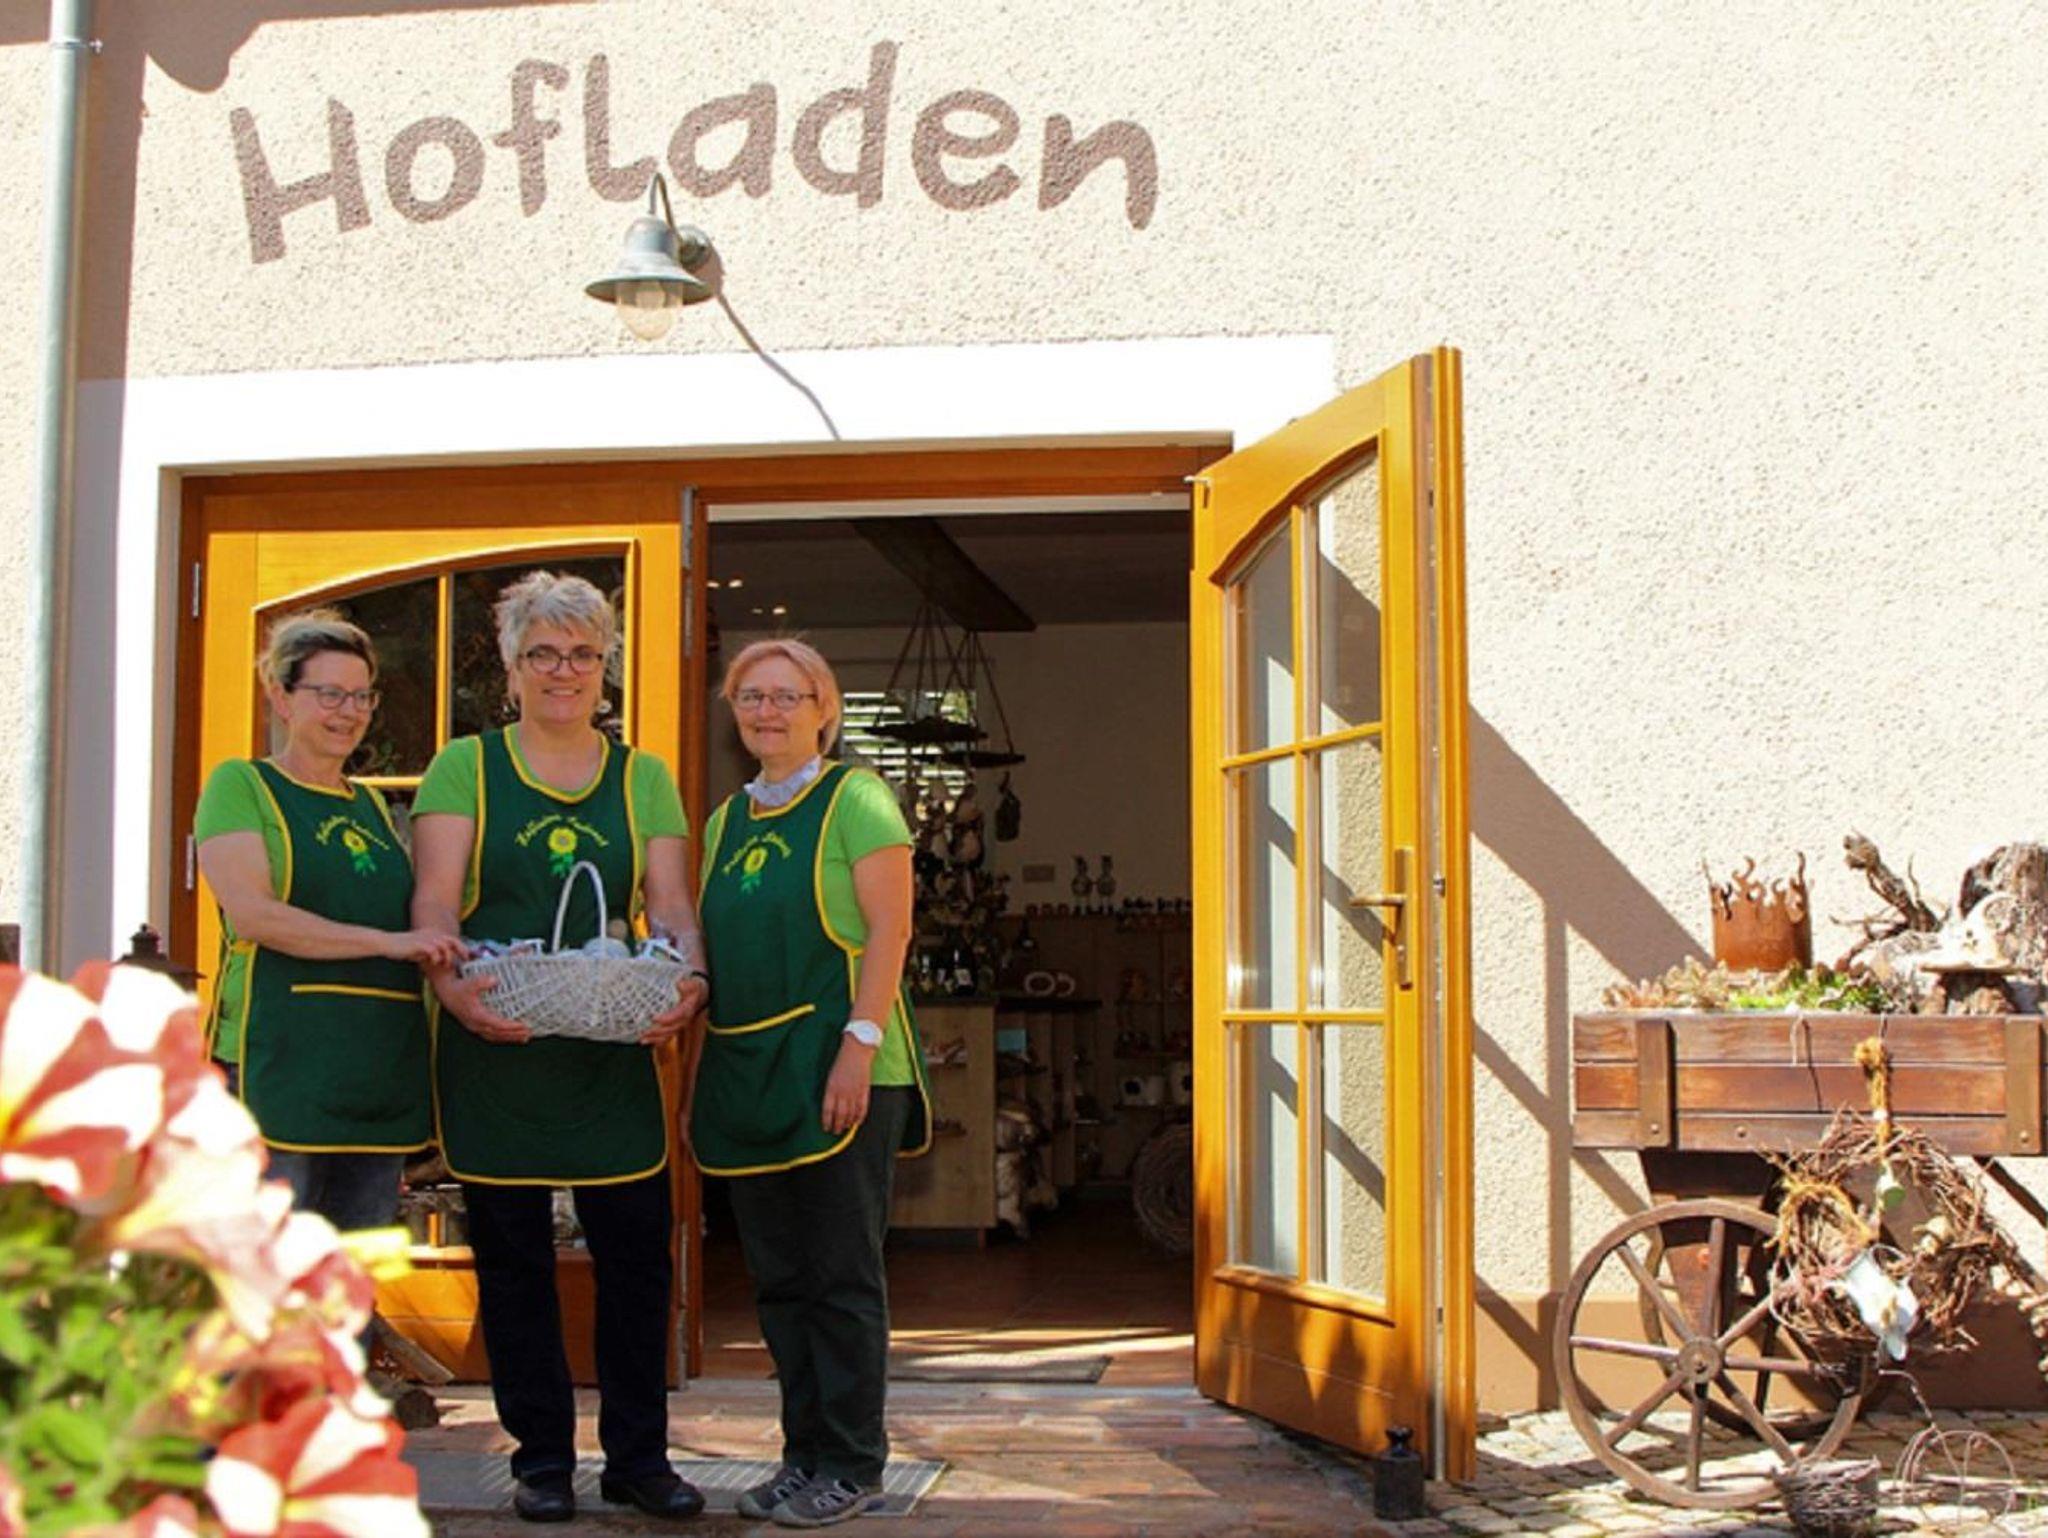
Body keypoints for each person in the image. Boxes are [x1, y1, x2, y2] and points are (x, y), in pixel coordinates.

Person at [410, 571, 709, 1526]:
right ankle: (540, 1459)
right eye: (542, 653)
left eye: (583, 653)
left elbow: (671, 908)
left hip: (610, 1047)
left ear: (604, 666)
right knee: (513, 1267)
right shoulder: (465, 767)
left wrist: (690, 981)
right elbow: (434, 904)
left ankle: (639, 1459)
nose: (563, 670)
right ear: (511, 668)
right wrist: (454, 994)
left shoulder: (642, 776)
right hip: (498, 1041)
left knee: (636, 1261)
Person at [689, 639, 931, 1530]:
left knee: (840, 1277)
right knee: (780, 1283)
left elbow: (889, 932)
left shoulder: (858, 800)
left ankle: (854, 1465)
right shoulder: (725, 823)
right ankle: (804, 1458)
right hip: (753, 1073)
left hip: (841, 1068)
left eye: (787, 696)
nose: (768, 711)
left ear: (824, 710)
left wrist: (858, 1049)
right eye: (751, 696)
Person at [195, 609, 464, 1232]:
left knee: (351, 1273)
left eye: (362, 696)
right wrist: (388, 944)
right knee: (269, 1266)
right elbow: (254, 914)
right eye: (330, 694)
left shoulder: (371, 804)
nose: (350, 711)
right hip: (277, 1070)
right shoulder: (242, 786)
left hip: (372, 1076)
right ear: (281, 697)